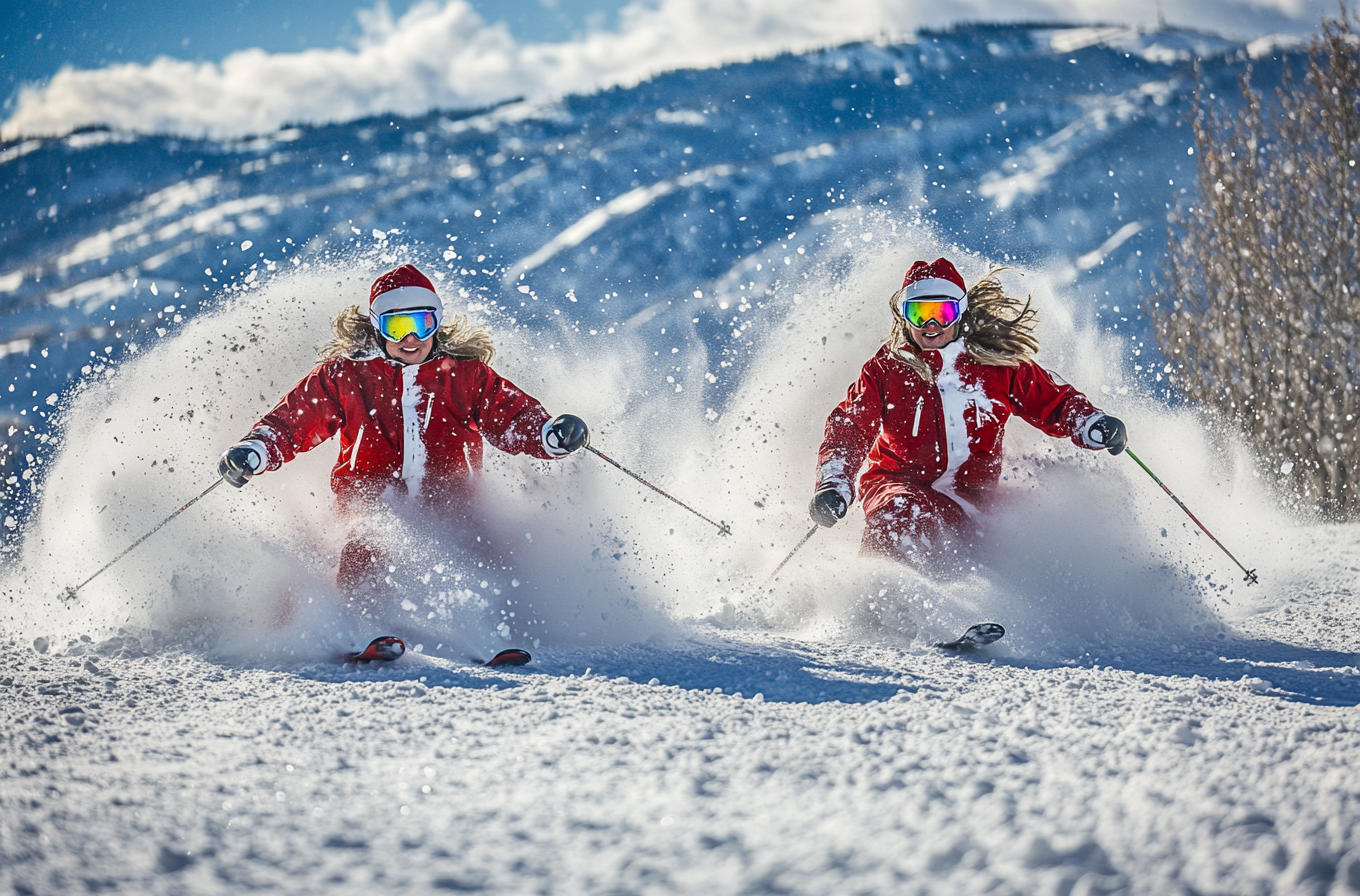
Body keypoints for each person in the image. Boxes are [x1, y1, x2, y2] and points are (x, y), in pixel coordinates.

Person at [217, 263, 589, 594]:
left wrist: (549, 434)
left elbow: (512, 416)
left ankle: (490, 634)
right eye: (396, 326)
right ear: (378, 329)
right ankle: (362, 625)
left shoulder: (466, 376)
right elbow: (294, 421)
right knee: (367, 545)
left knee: (489, 558)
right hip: (370, 504)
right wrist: (256, 451)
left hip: (454, 511)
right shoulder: (346, 375)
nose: (410, 338)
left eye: (422, 323)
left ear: (436, 324)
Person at [809, 257, 1126, 573]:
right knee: (903, 514)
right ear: (904, 317)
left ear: (959, 313)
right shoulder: (887, 369)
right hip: (898, 484)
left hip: (972, 498)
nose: (930, 326)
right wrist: (834, 483)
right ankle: (881, 599)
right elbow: (851, 424)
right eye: (919, 314)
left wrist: (1090, 422)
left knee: (1025, 536)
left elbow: (1053, 401)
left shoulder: (997, 366)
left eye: (942, 314)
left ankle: (981, 615)